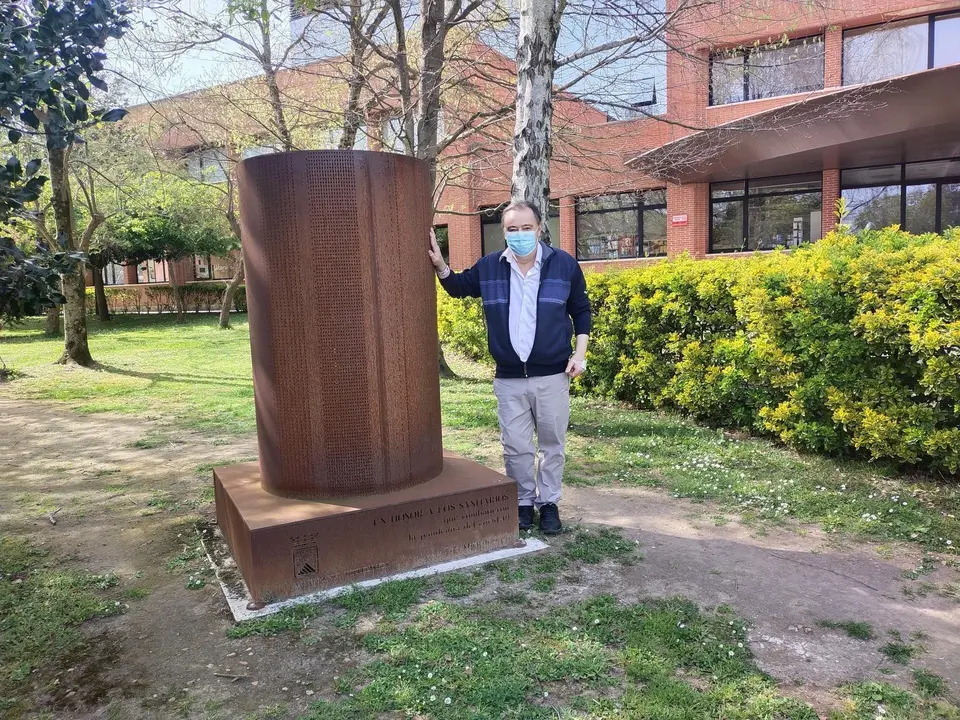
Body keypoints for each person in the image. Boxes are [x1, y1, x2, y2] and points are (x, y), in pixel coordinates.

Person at [428, 201, 591, 535]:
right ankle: (522, 502)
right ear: (504, 232)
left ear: (540, 228)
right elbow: (459, 287)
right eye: (512, 229)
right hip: (509, 378)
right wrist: (441, 266)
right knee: (516, 446)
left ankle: (548, 504)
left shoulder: (564, 266)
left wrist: (579, 354)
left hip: (552, 375)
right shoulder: (490, 267)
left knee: (551, 445)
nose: (519, 235)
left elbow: (582, 311)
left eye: (526, 227)